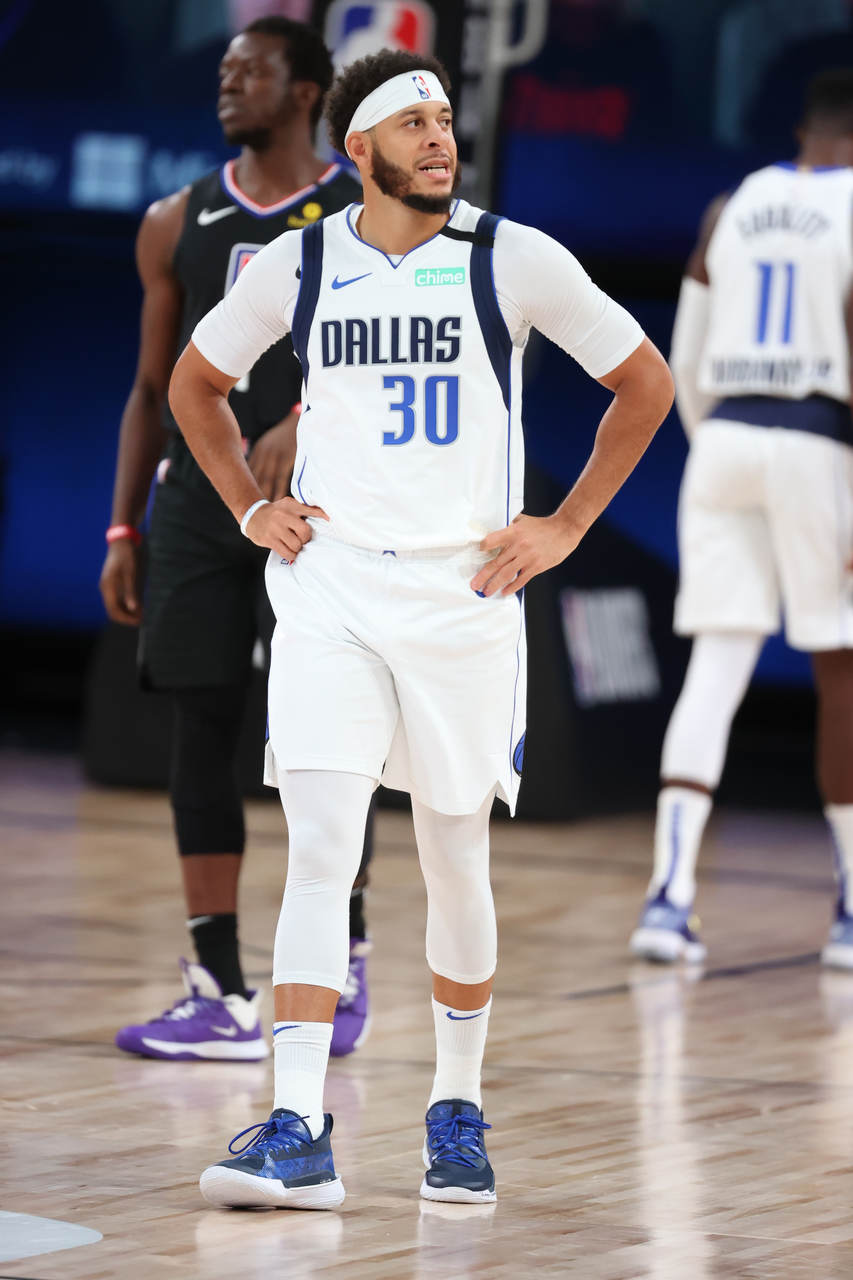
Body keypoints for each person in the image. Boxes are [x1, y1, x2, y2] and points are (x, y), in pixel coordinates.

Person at [169, 48, 672, 1209]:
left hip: (463, 591)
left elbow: (643, 382)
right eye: (414, 122)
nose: (440, 136)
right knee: (320, 848)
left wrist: (566, 524)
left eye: (445, 118)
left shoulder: (511, 256)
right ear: (360, 150)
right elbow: (197, 383)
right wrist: (248, 505)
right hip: (333, 584)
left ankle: (456, 1106)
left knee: (455, 854)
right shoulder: (301, 263)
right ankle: (298, 1124)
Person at [99, 16, 374, 1063]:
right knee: (200, 727)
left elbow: (393, 358)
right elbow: (147, 387)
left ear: (305, 92)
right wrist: (123, 524)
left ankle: (342, 959)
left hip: (323, 509)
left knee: (327, 736)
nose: (228, 84)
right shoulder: (176, 218)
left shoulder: (363, 211)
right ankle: (217, 984)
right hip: (198, 507)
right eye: (222, 71)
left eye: (249, 71)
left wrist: (304, 413)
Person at [630, 69, 853, 968]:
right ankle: (849, 914)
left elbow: (683, 356)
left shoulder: (731, 206)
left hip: (721, 437)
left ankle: (667, 899)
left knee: (715, 667)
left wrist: (715, 441)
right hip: (818, 442)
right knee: (839, 668)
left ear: (801, 129)